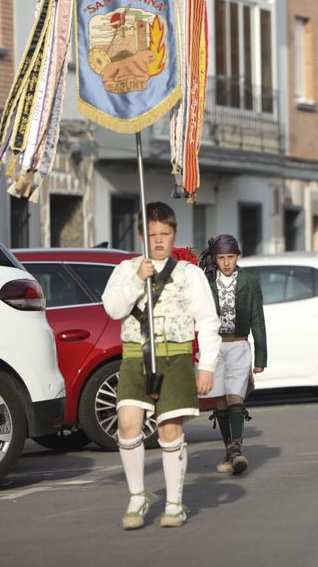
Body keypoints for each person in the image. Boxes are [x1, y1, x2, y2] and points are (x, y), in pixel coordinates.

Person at [102, 202, 221, 529]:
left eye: (164, 234)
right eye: (152, 234)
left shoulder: (190, 274)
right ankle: (138, 497)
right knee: (128, 424)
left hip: (176, 356)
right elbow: (113, 309)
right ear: (143, 235)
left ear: (174, 234)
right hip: (135, 356)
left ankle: (173, 503)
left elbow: (208, 321)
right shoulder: (126, 270)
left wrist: (207, 364)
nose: (158, 240)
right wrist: (138, 280)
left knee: (170, 430)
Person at [198, 234, 266, 475]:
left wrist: (260, 358)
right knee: (219, 399)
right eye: (221, 258)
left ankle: (237, 449)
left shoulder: (250, 281)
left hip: (239, 345)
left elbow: (258, 319)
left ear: (238, 257)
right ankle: (229, 449)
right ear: (215, 259)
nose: (226, 262)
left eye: (230, 257)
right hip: (213, 346)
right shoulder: (206, 282)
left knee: (235, 395)